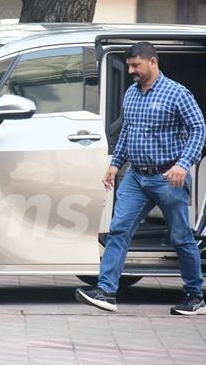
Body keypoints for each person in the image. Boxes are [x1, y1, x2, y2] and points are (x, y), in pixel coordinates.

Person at [76, 41, 206, 316]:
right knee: (119, 230)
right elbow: (127, 131)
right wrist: (115, 164)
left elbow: (198, 129)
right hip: (136, 176)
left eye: (136, 65)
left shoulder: (177, 93)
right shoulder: (131, 93)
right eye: (129, 65)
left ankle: (195, 297)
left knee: (181, 238)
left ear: (152, 62)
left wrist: (183, 165)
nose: (131, 70)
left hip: (167, 177)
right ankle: (106, 291)